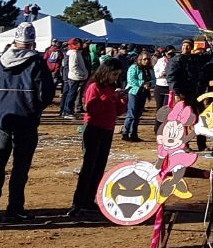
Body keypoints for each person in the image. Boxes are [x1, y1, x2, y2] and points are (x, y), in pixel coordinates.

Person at [0, 22, 56, 221]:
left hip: (2, 120)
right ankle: (15, 208)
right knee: (20, 167)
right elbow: (46, 92)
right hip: (26, 120)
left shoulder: (1, 60)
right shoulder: (37, 63)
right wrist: (35, 108)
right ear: (33, 42)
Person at [68, 57, 127, 218]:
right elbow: (90, 108)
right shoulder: (95, 86)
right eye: (114, 74)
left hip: (107, 129)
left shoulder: (110, 87)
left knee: (99, 166)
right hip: (94, 128)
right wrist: (110, 98)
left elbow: (118, 111)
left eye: (118, 75)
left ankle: (89, 199)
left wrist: (122, 99)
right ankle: (78, 202)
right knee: (89, 166)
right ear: (106, 72)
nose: (115, 78)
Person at [122, 51, 154, 142]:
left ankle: (134, 133)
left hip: (143, 93)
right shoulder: (133, 67)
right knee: (132, 113)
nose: (146, 61)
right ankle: (125, 132)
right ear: (140, 59)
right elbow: (131, 80)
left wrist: (150, 84)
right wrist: (143, 83)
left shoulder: (149, 69)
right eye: (144, 59)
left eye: (148, 59)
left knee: (138, 114)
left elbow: (154, 79)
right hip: (133, 92)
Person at [60, 38, 88, 118]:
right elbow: (73, 67)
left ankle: (68, 111)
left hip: (76, 76)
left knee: (72, 94)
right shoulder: (73, 53)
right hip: (75, 76)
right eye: (78, 43)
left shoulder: (77, 52)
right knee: (71, 94)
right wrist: (82, 73)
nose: (80, 44)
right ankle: (67, 111)